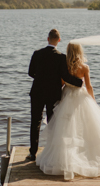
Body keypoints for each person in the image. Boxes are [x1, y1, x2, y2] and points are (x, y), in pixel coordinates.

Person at [36, 43, 100, 180]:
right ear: (80, 52)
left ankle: (65, 159)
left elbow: (62, 82)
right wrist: (93, 101)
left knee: (66, 129)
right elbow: (89, 86)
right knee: (85, 127)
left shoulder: (65, 66)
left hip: (67, 96)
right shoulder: (84, 67)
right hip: (81, 97)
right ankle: (85, 155)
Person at [27, 29, 83, 161]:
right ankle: (50, 151)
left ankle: (32, 153)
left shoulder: (37, 54)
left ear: (48, 39)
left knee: (35, 122)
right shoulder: (61, 57)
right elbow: (66, 77)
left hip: (37, 92)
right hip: (53, 93)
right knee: (52, 122)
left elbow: (30, 73)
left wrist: (41, 78)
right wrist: (79, 82)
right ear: (59, 40)